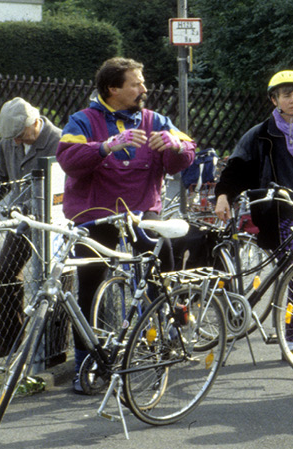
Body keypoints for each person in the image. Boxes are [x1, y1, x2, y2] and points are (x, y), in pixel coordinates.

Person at [57, 57, 196, 392]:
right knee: (89, 287)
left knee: (160, 271)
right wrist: (105, 146)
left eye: (142, 82)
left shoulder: (155, 120)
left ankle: (169, 330)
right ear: (112, 89)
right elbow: (68, 161)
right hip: (96, 213)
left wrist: (174, 146)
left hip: (142, 209)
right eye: (135, 83)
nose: (144, 89)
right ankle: (85, 364)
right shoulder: (83, 121)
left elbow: (187, 151)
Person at [213, 70, 293, 364]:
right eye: (286, 94)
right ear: (274, 99)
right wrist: (224, 195)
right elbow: (236, 169)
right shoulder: (259, 135)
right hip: (275, 213)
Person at [0, 98, 61, 358]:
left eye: (20, 135)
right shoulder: (10, 141)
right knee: (3, 273)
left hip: (53, 223)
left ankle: (54, 351)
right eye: (11, 137)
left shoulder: (59, 141)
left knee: (56, 281)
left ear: (35, 122)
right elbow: (1, 175)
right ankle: (11, 340)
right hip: (22, 222)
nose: (15, 142)